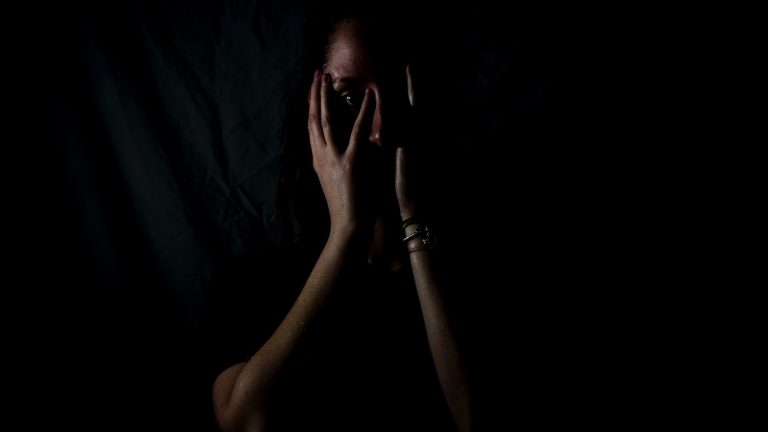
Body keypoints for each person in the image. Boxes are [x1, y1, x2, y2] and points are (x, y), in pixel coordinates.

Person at [212, 5, 472, 431]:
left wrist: (412, 217)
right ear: (313, 112)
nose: (379, 129)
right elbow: (241, 418)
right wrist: (346, 236)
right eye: (351, 98)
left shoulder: (472, 271)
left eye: (397, 94)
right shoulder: (255, 284)